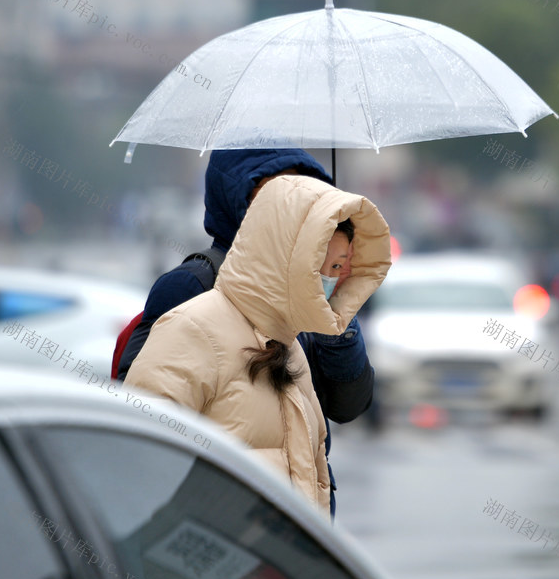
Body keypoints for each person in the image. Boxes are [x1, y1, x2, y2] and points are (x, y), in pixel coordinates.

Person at [112, 148, 375, 516]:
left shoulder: (300, 305)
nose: (292, 206)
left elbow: (348, 404)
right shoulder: (192, 288)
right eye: (273, 193)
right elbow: (144, 442)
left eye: (304, 192)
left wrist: (336, 313)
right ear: (236, 200)